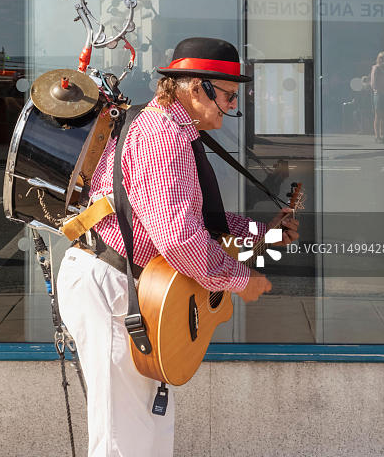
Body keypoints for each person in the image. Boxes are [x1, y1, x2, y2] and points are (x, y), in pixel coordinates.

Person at [57, 37, 299, 457]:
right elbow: (180, 239)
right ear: (194, 86)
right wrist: (242, 279)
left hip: (134, 286)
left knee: (148, 429)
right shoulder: (162, 138)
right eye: (227, 95)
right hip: (113, 283)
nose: (230, 107)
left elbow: (195, 222)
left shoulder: (174, 131)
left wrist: (264, 233)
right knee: (123, 437)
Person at [370, 51, 384, 143]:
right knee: (378, 116)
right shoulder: (376, 68)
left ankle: (383, 136)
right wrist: (377, 90)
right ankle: (377, 136)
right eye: (381, 58)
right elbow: (373, 82)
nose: (383, 59)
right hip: (379, 95)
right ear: (378, 59)